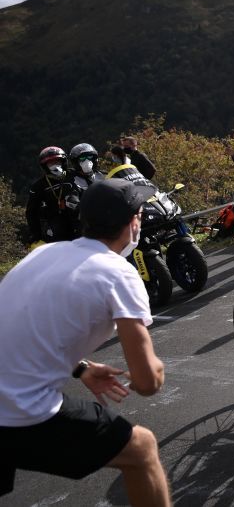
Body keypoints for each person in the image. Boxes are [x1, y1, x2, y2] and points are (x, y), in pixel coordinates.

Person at [0, 178, 170, 506]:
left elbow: (20, 325)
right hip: (16, 411)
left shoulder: (46, 254)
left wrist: (81, 368)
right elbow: (147, 383)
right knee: (141, 448)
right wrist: (155, 369)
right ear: (134, 221)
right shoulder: (118, 273)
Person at [25, 146, 76, 244]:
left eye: (57, 162)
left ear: (64, 162)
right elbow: (31, 213)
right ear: (45, 166)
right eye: (51, 163)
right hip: (55, 227)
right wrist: (36, 234)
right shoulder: (38, 186)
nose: (55, 165)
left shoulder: (73, 175)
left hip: (77, 220)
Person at [63, 143, 106, 231]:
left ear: (95, 159)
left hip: (109, 216)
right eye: (82, 158)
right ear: (76, 162)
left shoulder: (103, 175)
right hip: (86, 224)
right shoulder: (71, 179)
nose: (86, 161)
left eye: (89, 157)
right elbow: (71, 199)